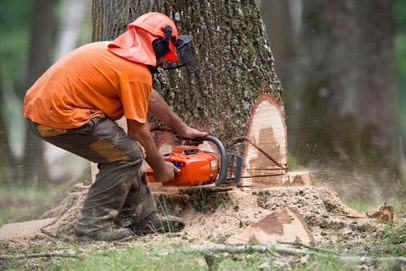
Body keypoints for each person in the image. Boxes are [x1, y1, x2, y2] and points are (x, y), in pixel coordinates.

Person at [22, 12, 207, 241]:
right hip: (59, 117)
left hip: (42, 113)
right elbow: (138, 131)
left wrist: (182, 129)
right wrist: (160, 168)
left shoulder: (118, 55)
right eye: (164, 54)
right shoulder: (135, 71)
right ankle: (92, 228)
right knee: (127, 155)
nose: (164, 60)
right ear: (157, 46)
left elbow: (148, 97)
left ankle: (142, 218)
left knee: (124, 153)